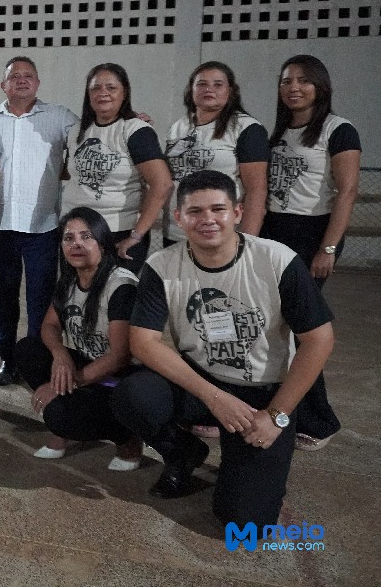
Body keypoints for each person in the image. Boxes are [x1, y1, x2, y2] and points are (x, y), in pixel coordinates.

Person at [112, 170, 335, 528]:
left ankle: (249, 465)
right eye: (195, 212)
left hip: (264, 394)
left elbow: (319, 340)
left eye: (218, 209)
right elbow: (143, 341)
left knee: (245, 521)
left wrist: (277, 415)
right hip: (203, 382)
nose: (208, 220)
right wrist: (215, 398)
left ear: (237, 212)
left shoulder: (277, 260)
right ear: (178, 218)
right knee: (133, 395)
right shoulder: (162, 265)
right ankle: (184, 453)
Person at [261, 54, 361, 452]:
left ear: (320, 85)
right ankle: (289, 405)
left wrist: (329, 247)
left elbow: (347, 192)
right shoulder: (280, 131)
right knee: (277, 327)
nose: (294, 87)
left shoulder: (339, 130)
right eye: (287, 80)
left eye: (303, 80)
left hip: (312, 234)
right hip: (275, 230)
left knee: (305, 329)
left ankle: (321, 419)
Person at [0, 56, 79, 386]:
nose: (22, 81)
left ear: (37, 82)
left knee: (41, 299)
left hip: (42, 228)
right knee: (3, 297)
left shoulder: (60, 118)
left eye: (28, 76)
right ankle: (8, 357)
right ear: (3, 85)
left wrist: (133, 118)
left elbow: (98, 130)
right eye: (14, 76)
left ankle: (36, 360)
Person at [15, 207, 142, 470]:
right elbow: (49, 325)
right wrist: (61, 355)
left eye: (86, 237)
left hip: (121, 382)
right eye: (69, 238)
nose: (77, 244)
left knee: (59, 414)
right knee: (28, 350)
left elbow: (119, 358)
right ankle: (62, 429)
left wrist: (63, 384)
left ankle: (127, 438)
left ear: (103, 244)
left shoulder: (120, 287)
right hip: (88, 365)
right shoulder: (70, 280)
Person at [61, 63, 173, 273]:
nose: (103, 93)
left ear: (124, 93)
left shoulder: (135, 130)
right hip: (76, 233)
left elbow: (162, 185)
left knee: (116, 301)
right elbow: (70, 172)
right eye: (96, 88)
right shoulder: (77, 130)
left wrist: (136, 236)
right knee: (77, 300)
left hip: (118, 235)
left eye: (111, 88)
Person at [164, 62, 268, 244]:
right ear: (191, 89)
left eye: (218, 84)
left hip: (220, 235)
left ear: (231, 90)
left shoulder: (246, 128)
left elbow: (256, 190)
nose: (209, 89)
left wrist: (247, 240)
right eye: (202, 84)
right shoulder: (178, 127)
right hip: (177, 232)